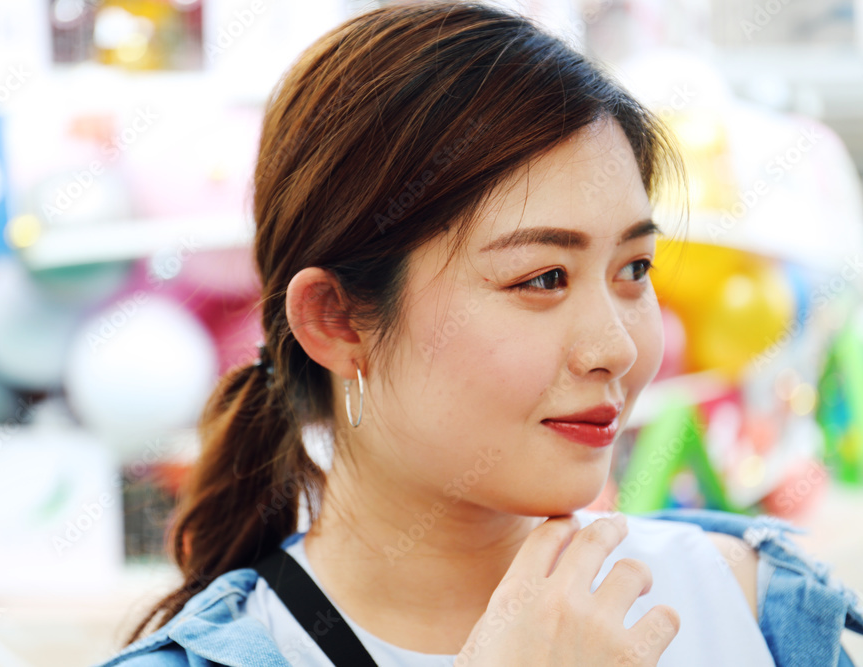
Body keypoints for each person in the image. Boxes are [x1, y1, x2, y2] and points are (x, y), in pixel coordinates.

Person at [95, 2, 863, 665]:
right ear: (336, 320)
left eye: (633, 268)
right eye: (541, 279)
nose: (618, 346)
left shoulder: (749, 601)